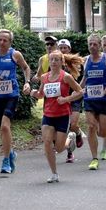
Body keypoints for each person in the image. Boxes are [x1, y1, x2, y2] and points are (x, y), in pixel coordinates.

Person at [31, 50, 83, 182]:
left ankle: (69, 140)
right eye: (51, 59)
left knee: (59, 149)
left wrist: (66, 99)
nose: (53, 62)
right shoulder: (44, 77)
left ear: (62, 62)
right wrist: (32, 92)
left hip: (63, 115)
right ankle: (54, 174)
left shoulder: (66, 77)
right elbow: (41, 94)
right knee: (47, 142)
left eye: (56, 60)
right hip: (48, 115)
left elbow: (80, 91)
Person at [0, 29, 32, 175]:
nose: (2, 42)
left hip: (12, 95)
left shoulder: (14, 54)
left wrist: (27, 82)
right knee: (2, 128)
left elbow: (26, 68)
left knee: (5, 126)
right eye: (0, 39)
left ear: (10, 42)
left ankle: (6, 160)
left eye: (5, 40)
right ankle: (10, 152)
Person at [81, 33, 106, 170]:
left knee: (102, 133)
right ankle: (94, 158)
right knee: (91, 126)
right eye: (90, 44)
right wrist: (77, 89)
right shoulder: (86, 60)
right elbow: (85, 78)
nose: (92, 46)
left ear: (99, 46)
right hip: (89, 99)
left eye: (95, 44)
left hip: (103, 98)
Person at [58, 38, 85, 161]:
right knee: (65, 128)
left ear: (69, 49)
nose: (63, 50)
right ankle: (70, 153)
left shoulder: (77, 64)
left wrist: (77, 91)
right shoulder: (55, 63)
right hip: (61, 98)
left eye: (65, 48)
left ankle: (78, 133)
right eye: (61, 48)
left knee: (73, 125)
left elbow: (82, 80)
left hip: (74, 97)